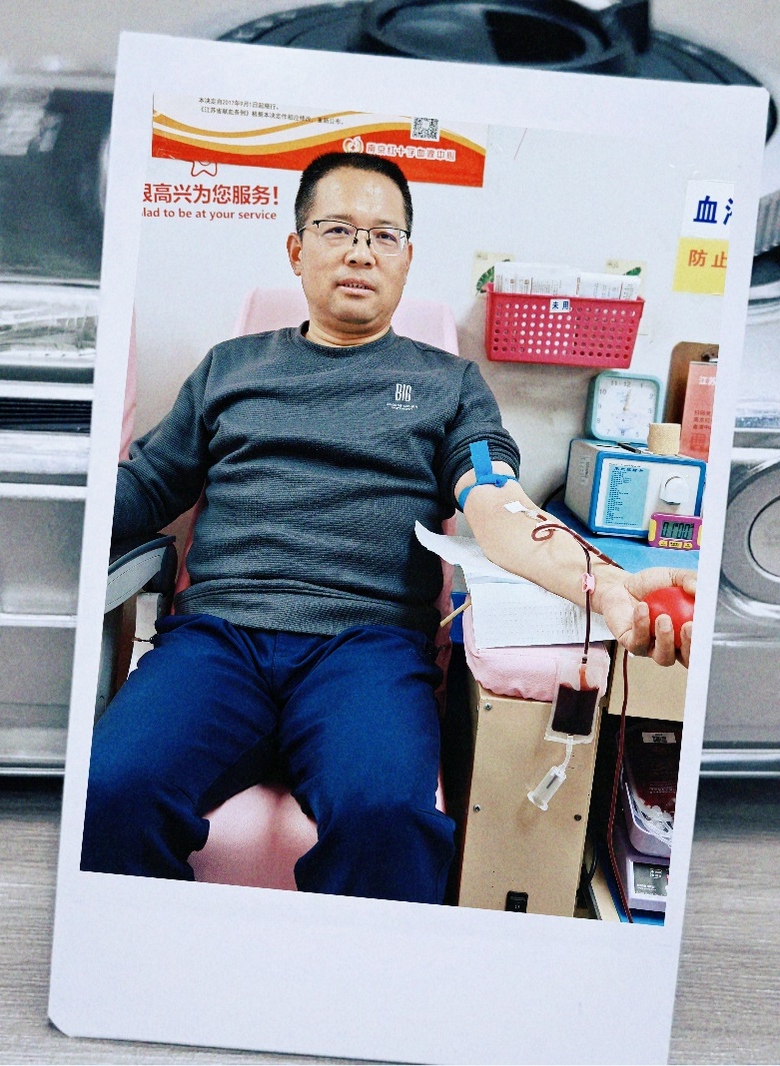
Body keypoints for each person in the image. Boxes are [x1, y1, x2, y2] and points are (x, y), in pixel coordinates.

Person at [81, 151, 694, 903]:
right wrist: (54, 515)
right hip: (218, 639)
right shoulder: (229, 368)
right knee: (109, 788)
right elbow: (147, 487)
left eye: (384, 235)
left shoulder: (448, 384)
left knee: (388, 820)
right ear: (297, 249)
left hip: (365, 651)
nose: (361, 252)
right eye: (338, 229)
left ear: (406, 259)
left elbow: (497, 505)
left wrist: (607, 586)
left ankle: (356, 978)